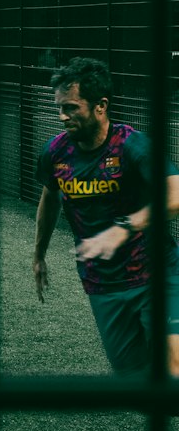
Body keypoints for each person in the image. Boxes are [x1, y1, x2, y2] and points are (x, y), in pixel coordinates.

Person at [33, 55, 179, 373]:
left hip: (158, 274)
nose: (62, 116)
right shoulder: (56, 152)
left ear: (100, 105)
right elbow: (50, 199)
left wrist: (125, 226)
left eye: (71, 107)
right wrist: (39, 254)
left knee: (174, 366)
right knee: (135, 382)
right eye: (59, 107)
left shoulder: (133, 146)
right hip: (103, 283)